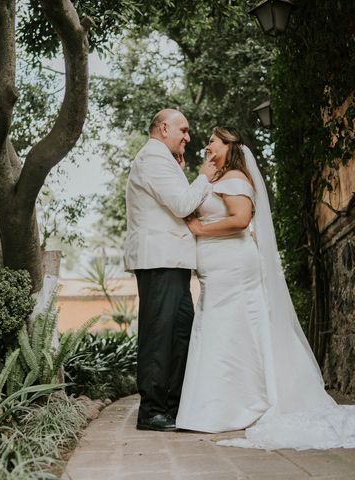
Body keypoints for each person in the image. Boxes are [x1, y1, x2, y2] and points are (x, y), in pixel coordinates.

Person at [175, 127, 355, 450]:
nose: (207, 145)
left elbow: (241, 220)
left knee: (229, 327)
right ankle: (223, 406)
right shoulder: (219, 179)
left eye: (213, 140)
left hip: (232, 266)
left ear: (229, 146)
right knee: (222, 329)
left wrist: (201, 228)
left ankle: (245, 404)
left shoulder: (236, 180)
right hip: (218, 267)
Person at [124, 109, 217, 432]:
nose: (188, 138)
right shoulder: (152, 159)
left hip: (174, 261)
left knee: (180, 334)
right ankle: (151, 411)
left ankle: (173, 406)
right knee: (158, 336)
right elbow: (181, 205)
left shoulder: (165, 161)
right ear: (164, 128)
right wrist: (203, 175)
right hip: (158, 260)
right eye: (184, 130)